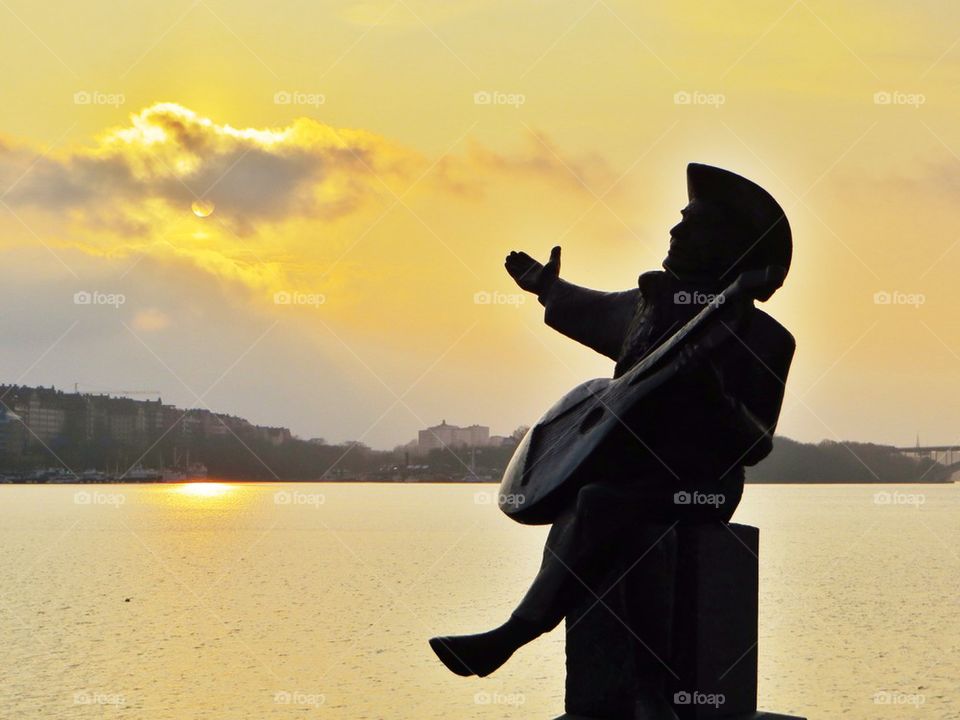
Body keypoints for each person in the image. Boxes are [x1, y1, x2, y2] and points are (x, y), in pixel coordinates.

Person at [429, 163, 796, 683]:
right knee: (595, 502)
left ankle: (516, 636)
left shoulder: (765, 339)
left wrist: (714, 398)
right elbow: (588, 307)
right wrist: (547, 287)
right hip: (626, 469)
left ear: (727, 247)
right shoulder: (646, 309)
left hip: (701, 485)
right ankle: (635, 689)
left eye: (693, 224)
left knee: (599, 504)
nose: (675, 230)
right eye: (680, 218)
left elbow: (756, 443)